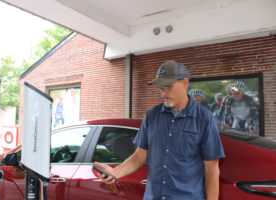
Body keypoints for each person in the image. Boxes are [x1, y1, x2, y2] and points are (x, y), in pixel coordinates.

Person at [94, 61, 225, 200]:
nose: (163, 93)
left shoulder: (204, 118)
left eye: (168, 87)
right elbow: (139, 156)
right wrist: (115, 172)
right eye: (160, 88)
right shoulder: (152, 115)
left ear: (185, 83)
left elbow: (211, 169)